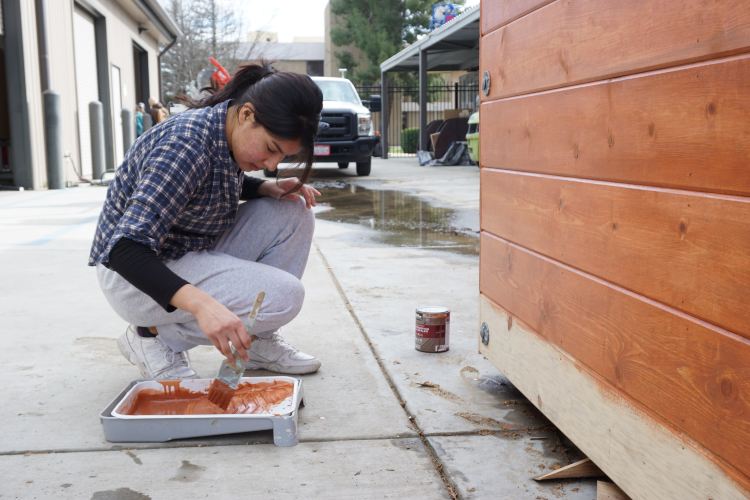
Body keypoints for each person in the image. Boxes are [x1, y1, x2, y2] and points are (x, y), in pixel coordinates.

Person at [89, 63, 324, 379]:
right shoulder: (185, 146)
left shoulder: (224, 128)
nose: (271, 164)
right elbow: (125, 250)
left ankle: (255, 341)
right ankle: (151, 338)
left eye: (282, 158)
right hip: (132, 276)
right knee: (284, 296)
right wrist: (203, 305)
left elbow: (206, 183)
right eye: (271, 149)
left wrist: (265, 187)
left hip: (183, 250)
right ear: (246, 115)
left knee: (293, 210)